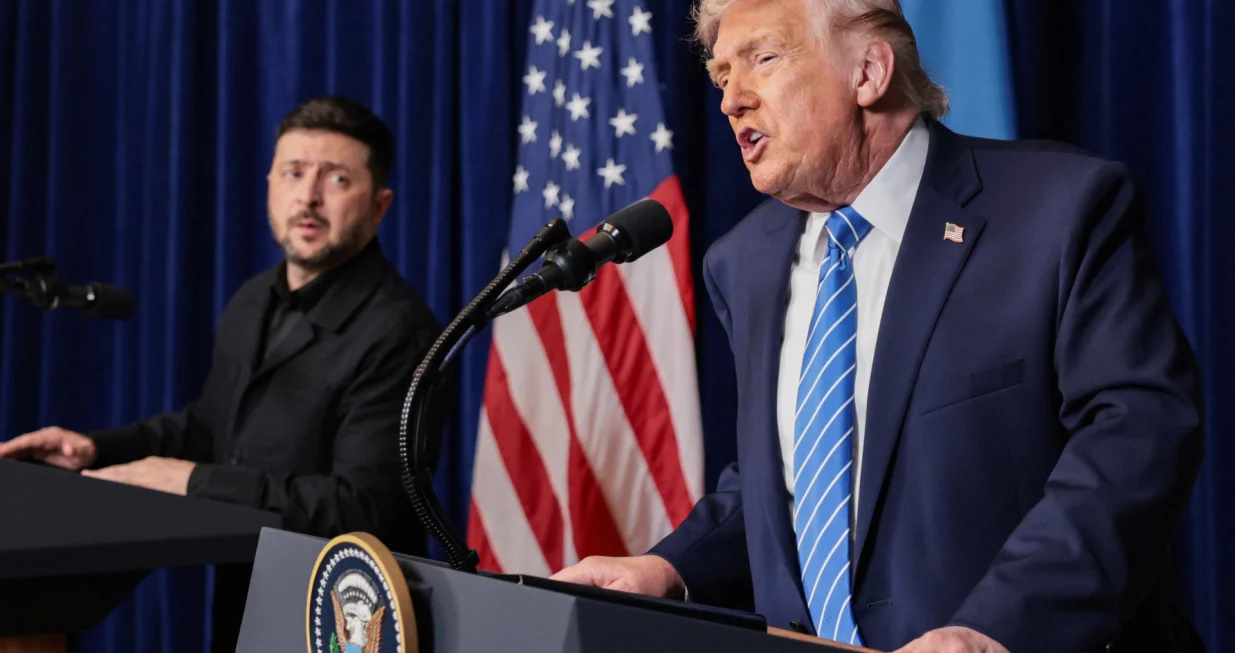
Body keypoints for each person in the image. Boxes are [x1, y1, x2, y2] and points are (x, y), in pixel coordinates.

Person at [550, 1, 1205, 652]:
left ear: (869, 71)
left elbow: (1135, 431)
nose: (731, 101)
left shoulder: (1058, 210)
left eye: (764, 59)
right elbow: (784, 479)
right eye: (722, 76)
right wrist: (670, 568)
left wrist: (996, 628)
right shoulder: (742, 261)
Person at [0, 95, 450, 651]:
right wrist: (95, 450)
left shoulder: (402, 331)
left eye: (336, 179)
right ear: (269, 185)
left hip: (344, 618)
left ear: (379, 206)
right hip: (246, 599)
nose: (307, 196)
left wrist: (194, 482)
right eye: (293, 173)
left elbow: (360, 507)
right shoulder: (253, 299)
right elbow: (211, 430)